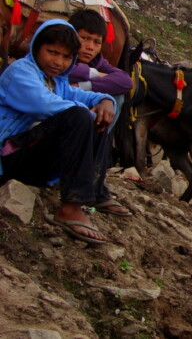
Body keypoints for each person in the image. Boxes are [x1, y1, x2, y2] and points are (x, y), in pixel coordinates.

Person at [0, 20, 129, 244]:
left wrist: (105, 100)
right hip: (7, 159)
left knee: (96, 115)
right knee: (79, 116)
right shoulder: (20, 72)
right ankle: (70, 208)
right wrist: (88, 114)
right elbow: (44, 104)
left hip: (30, 164)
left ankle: (94, 190)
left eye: (66, 57)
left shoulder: (56, 81)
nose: (58, 62)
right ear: (36, 47)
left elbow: (80, 96)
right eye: (52, 52)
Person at [67, 9, 133, 127]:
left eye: (97, 42)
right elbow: (67, 69)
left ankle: (98, 140)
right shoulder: (61, 54)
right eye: (85, 38)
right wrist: (93, 73)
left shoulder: (97, 61)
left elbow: (126, 82)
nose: (90, 47)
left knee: (117, 96)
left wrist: (84, 85)